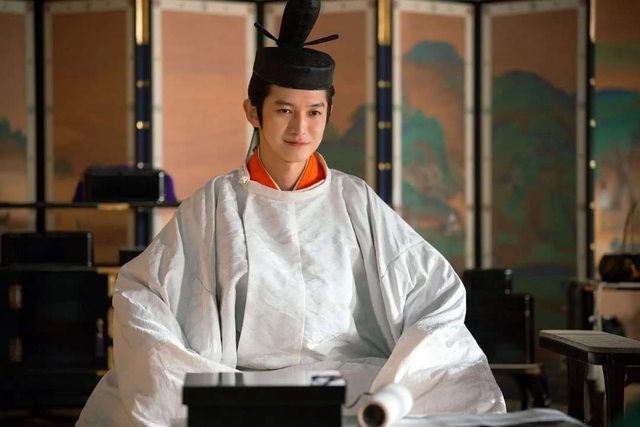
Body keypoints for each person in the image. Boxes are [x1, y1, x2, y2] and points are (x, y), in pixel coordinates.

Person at [77, 0, 505, 424]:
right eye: (284, 110)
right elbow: (143, 291)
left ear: (328, 113)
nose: (301, 128)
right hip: (244, 388)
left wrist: (403, 374)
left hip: (348, 384)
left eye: (314, 112)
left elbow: (433, 293)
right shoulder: (216, 203)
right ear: (253, 112)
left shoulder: (355, 201)